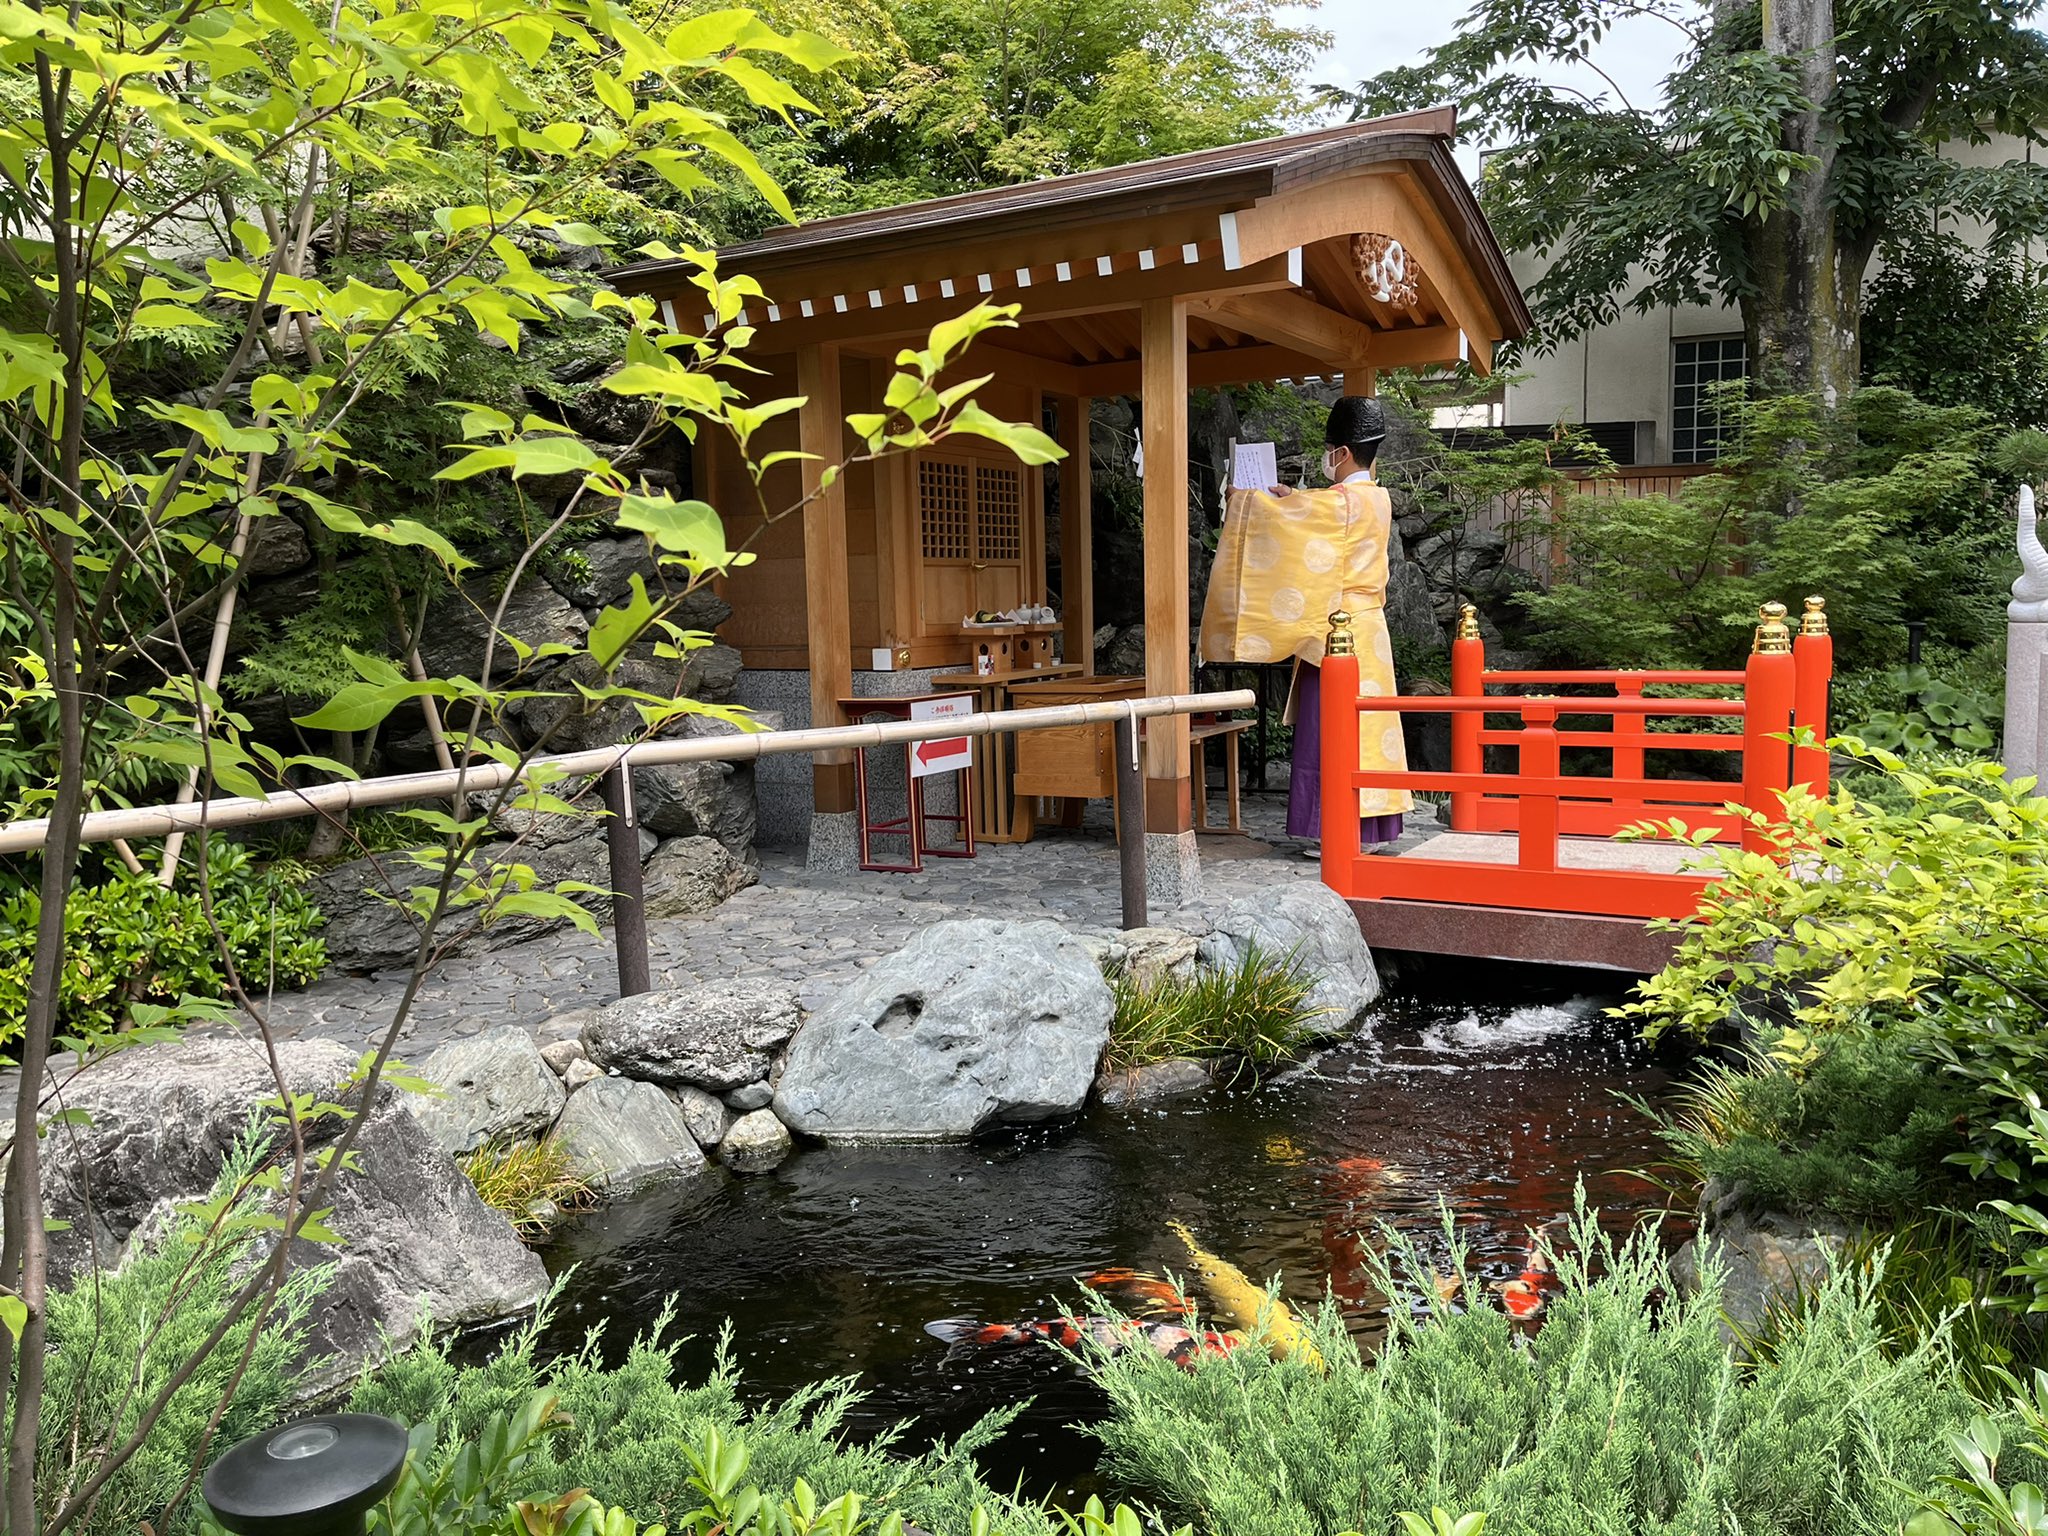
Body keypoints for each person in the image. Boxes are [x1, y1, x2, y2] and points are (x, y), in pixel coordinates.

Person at [1197, 396, 1410, 851]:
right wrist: (1292, 498)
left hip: (1336, 637)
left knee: (1328, 727)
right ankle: (1372, 830)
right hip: (1370, 632)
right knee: (1366, 730)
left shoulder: (1341, 502)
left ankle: (1333, 830)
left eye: (1330, 448)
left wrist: (1244, 502)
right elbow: (1311, 511)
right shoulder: (1375, 497)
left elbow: (1299, 520)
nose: (1326, 456)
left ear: (1344, 453)